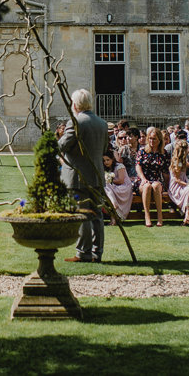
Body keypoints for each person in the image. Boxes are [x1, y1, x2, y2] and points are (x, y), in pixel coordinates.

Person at [58, 88, 107, 263]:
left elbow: (62, 145)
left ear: (76, 104)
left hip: (78, 176)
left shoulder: (76, 122)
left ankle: (83, 253)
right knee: (97, 215)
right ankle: (97, 253)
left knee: (83, 214)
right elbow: (104, 149)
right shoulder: (102, 123)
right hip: (97, 174)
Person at [135, 126, 168, 228]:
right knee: (147, 186)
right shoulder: (142, 151)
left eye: (154, 138)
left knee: (156, 185)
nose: (152, 141)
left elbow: (165, 172)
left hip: (156, 180)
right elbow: (138, 166)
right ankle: (147, 216)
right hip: (142, 180)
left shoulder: (163, 153)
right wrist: (144, 179)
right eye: (150, 138)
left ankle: (159, 216)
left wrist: (167, 185)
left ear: (159, 140)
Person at [166, 140, 189, 226]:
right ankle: (187, 216)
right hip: (177, 185)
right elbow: (176, 179)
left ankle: (187, 217)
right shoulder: (178, 163)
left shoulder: (182, 160)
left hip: (182, 182)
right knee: (188, 190)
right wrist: (188, 184)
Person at [103, 152, 132, 224]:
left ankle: (114, 204)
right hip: (112, 187)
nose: (106, 162)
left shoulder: (119, 166)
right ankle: (113, 210)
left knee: (106, 186)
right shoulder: (105, 169)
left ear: (112, 159)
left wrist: (109, 180)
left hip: (123, 187)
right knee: (105, 187)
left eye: (107, 160)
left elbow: (121, 180)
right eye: (104, 160)